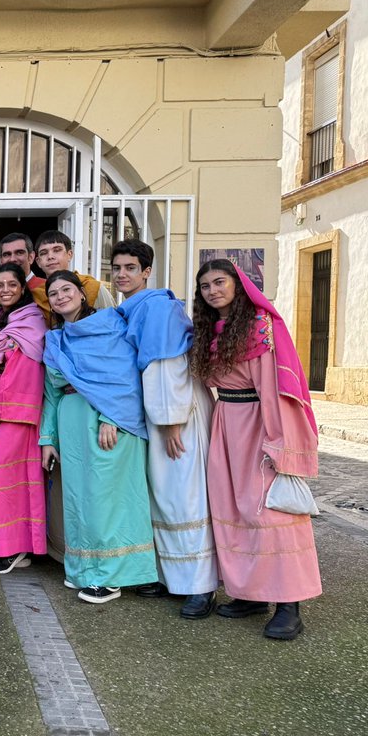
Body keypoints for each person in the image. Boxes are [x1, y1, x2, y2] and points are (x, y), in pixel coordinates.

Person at [191, 259, 321, 640]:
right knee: (233, 510)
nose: (213, 290)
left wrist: (279, 443)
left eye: (220, 282)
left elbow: (272, 388)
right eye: (205, 286)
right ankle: (251, 593)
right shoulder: (210, 331)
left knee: (270, 512)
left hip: (258, 422)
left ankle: (289, 605)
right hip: (225, 422)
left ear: (239, 284)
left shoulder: (259, 328)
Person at [112, 240, 218, 619]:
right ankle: (171, 575)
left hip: (176, 413)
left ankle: (200, 585)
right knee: (162, 493)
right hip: (159, 412)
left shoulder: (157, 308)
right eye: (117, 268)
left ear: (146, 272)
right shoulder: (135, 307)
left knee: (184, 494)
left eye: (130, 268)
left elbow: (167, 367)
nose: (122, 274)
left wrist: (172, 423)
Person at [39, 271, 157, 603]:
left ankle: (110, 577)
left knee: (107, 500)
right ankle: (84, 570)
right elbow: (51, 393)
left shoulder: (109, 326)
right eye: (53, 293)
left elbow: (125, 373)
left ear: (82, 295)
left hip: (107, 421)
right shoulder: (56, 339)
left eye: (67, 290)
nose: (60, 296)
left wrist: (112, 417)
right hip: (71, 424)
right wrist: (48, 438)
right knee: (80, 500)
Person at [0, 263, 48, 574]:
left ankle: (13, 548)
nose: (5, 290)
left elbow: (25, 371)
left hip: (10, 404)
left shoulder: (32, 321)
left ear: (22, 287)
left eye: (11, 284)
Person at [32, 230, 114, 314]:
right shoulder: (37, 297)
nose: (50, 257)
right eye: (44, 253)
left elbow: (113, 322)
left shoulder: (93, 287)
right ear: (38, 262)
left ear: (69, 254)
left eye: (57, 250)